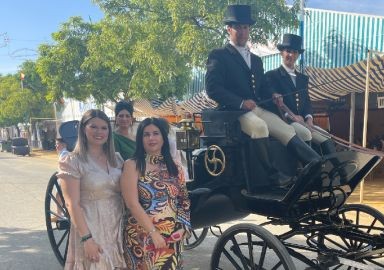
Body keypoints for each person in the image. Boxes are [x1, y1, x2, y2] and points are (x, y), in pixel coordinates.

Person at [205, 4, 320, 187]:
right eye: (238, 27)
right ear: (229, 29)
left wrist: (273, 94)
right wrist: (241, 103)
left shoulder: (256, 60)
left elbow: (262, 88)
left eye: (245, 27)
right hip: (234, 112)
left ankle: (316, 167)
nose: (242, 31)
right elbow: (213, 89)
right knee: (259, 128)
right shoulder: (219, 55)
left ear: (249, 29)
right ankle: (272, 178)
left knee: (287, 129)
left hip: (258, 108)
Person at [57, 109, 126, 269]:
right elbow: (72, 204)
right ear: (83, 129)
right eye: (93, 127)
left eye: (104, 128)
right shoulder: (73, 161)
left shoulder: (117, 159)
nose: (99, 132)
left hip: (117, 225)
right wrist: (87, 239)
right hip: (90, 225)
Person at [121, 117, 190, 270]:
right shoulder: (132, 165)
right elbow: (132, 204)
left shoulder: (175, 167)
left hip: (172, 237)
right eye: (146, 134)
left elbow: (183, 199)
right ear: (140, 139)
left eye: (155, 133)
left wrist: (183, 227)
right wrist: (153, 233)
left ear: (163, 138)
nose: (151, 138)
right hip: (142, 236)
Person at [265, 33, 337, 155]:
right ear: (282, 53)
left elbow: (306, 102)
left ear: (298, 55)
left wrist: (309, 119)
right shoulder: (272, 76)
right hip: (285, 122)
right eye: (288, 51)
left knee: (325, 136)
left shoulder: (303, 79)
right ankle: (307, 171)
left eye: (294, 52)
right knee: (305, 133)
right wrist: (292, 117)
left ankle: (339, 171)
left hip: (303, 122)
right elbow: (273, 104)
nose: (291, 55)